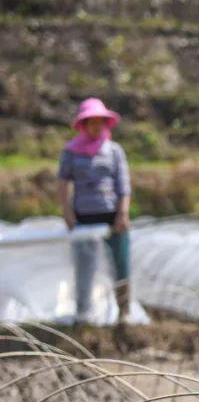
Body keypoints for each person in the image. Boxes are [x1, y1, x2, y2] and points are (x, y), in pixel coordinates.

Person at [57, 97, 132, 323]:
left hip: (111, 216)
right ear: (84, 125)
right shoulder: (71, 152)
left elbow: (123, 185)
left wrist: (122, 214)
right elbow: (62, 183)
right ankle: (83, 313)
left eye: (101, 122)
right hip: (84, 216)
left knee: (121, 265)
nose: (97, 127)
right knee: (84, 265)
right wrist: (68, 213)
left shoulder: (114, 151)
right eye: (92, 122)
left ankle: (124, 312)